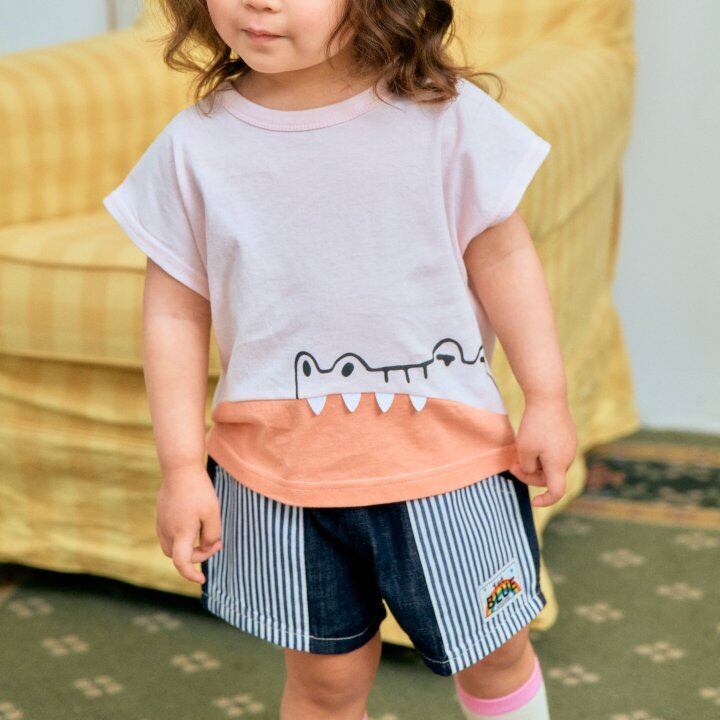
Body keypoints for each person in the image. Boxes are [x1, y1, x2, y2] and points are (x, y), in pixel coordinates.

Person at [102, 0, 577, 718]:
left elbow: (505, 260)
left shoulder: (446, 118)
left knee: (495, 653)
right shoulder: (193, 148)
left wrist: (547, 396)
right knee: (327, 682)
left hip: (451, 463)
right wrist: (180, 468)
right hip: (279, 478)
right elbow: (173, 315)